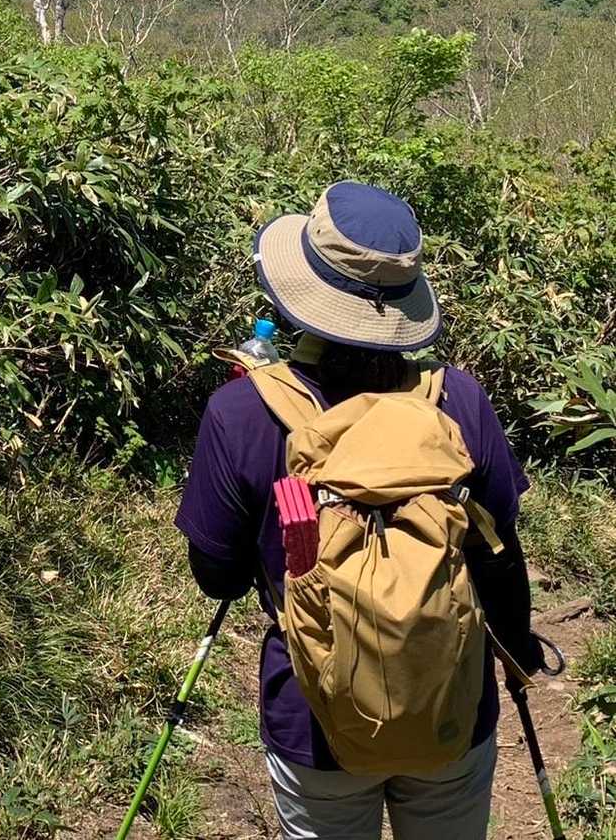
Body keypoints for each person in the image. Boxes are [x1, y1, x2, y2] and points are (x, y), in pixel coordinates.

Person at [175, 181, 543, 840]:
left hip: (313, 719)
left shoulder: (241, 412)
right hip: (450, 705)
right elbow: (497, 554)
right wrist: (518, 654)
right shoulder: (458, 400)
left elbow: (218, 578)